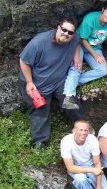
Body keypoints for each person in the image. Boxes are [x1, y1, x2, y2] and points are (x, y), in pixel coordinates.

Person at [18, 17, 85, 150]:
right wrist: (29, 82)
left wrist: (76, 55)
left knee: (70, 102)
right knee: (40, 112)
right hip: (37, 84)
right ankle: (40, 144)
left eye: (70, 32)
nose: (66, 34)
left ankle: (83, 128)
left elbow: (78, 41)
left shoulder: (73, 38)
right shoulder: (39, 42)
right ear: (58, 27)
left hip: (58, 82)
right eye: (64, 30)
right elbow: (23, 61)